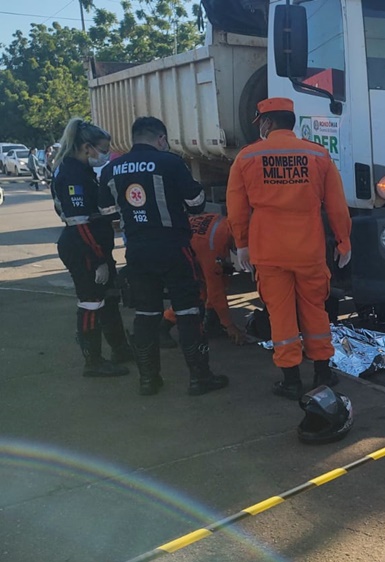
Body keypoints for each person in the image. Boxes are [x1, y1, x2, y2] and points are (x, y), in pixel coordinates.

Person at [226, 97, 351, 399]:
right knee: (314, 309)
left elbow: (237, 209)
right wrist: (343, 241)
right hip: (308, 247)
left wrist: (241, 244)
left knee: (280, 313)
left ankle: (291, 379)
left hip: (268, 250)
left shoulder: (246, 158)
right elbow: (336, 205)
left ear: (267, 123)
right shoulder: (318, 155)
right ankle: (322, 371)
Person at [98, 116, 228, 396]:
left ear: (134, 138)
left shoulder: (112, 169)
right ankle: (199, 378)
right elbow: (196, 203)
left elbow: (107, 212)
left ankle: (148, 380)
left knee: (145, 314)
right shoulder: (169, 162)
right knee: (188, 311)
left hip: (137, 251)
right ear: (160, 139)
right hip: (173, 248)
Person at [51, 118, 132, 377]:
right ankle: (93, 361)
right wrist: (97, 259)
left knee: (109, 298)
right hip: (83, 247)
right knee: (90, 303)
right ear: (87, 148)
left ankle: (120, 348)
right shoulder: (72, 174)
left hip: (94, 244)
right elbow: (79, 224)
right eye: (103, 149)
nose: (105, 155)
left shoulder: (80, 170)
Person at [159, 212, 247, 347]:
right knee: (195, 294)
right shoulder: (212, 246)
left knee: (216, 281)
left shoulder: (221, 221)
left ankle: (212, 323)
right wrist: (229, 325)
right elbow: (215, 291)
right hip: (176, 257)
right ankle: (163, 326)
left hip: (179, 246)